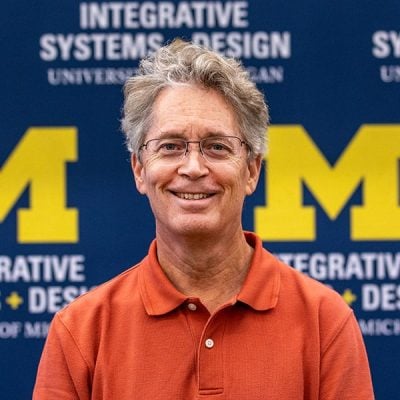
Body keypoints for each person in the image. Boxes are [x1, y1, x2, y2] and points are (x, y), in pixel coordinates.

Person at [33, 39, 374, 399]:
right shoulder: (82, 331)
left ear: (252, 170)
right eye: (170, 146)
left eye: (217, 146)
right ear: (139, 169)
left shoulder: (324, 322)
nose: (193, 168)